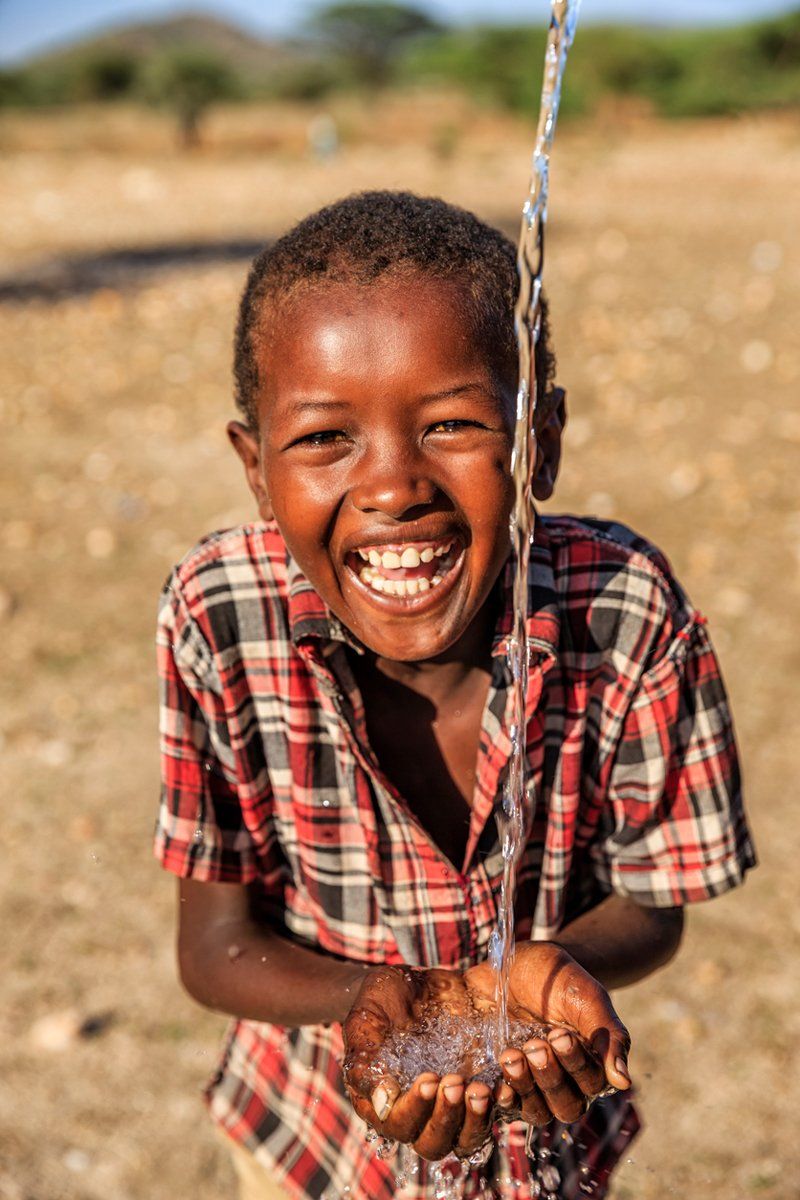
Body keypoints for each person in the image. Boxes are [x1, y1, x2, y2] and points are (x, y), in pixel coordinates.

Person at [155, 191, 755, 1200]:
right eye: (322, 440)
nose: (393, 486)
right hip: (311, 1144)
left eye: (453, 424)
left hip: (547, 1143)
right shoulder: (221, 616)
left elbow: (653, 904)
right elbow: (214, 946)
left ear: (540, 442)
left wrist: (550, 968)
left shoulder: (626, 611)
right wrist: (375, 1000)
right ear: (255, 470)